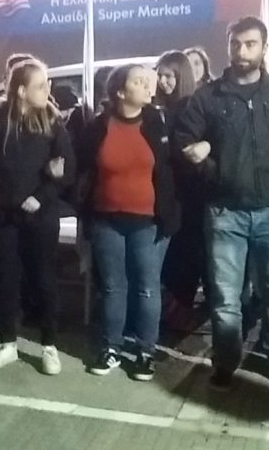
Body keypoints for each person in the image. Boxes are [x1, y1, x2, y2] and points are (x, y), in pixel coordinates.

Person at [174, 17, 269, 391]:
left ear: (264, 47)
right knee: (225, 299)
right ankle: (225, 360)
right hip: (226, 214)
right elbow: (182, 141)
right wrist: (210, 170)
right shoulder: (208, 98)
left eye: (250, 44)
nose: (242, 52)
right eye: (236, 44)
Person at [79, 63, 180, 381]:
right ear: (121, 91)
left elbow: (170, 168)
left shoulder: (158, 122)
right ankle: (111, 347)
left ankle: (145, 351)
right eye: (140, 81)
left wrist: (171, 212)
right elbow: (84, 171)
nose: (149, 86)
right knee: (112, 287)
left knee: (147, 288)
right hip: (106, 219)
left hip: (148, 221)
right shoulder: (98, 127)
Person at [0, 58, 75, 375]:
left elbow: (66, 169)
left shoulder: (52, 122)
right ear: (21, 91)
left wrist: (41, 196)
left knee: (44, 278)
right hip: (3, 215)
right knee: (6, 280)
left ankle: (49, 346)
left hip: (40, 214)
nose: (47, 90)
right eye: (40, 85)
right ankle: (7, 343)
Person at [152, 51, 203, 332]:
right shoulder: (157, 110)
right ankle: (169, 308)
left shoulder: (192, 108)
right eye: (159, 75)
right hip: (164, 193)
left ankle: (180, 312)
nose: (163, 81)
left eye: (169, 76)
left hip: (187, 193)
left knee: (185, 256)